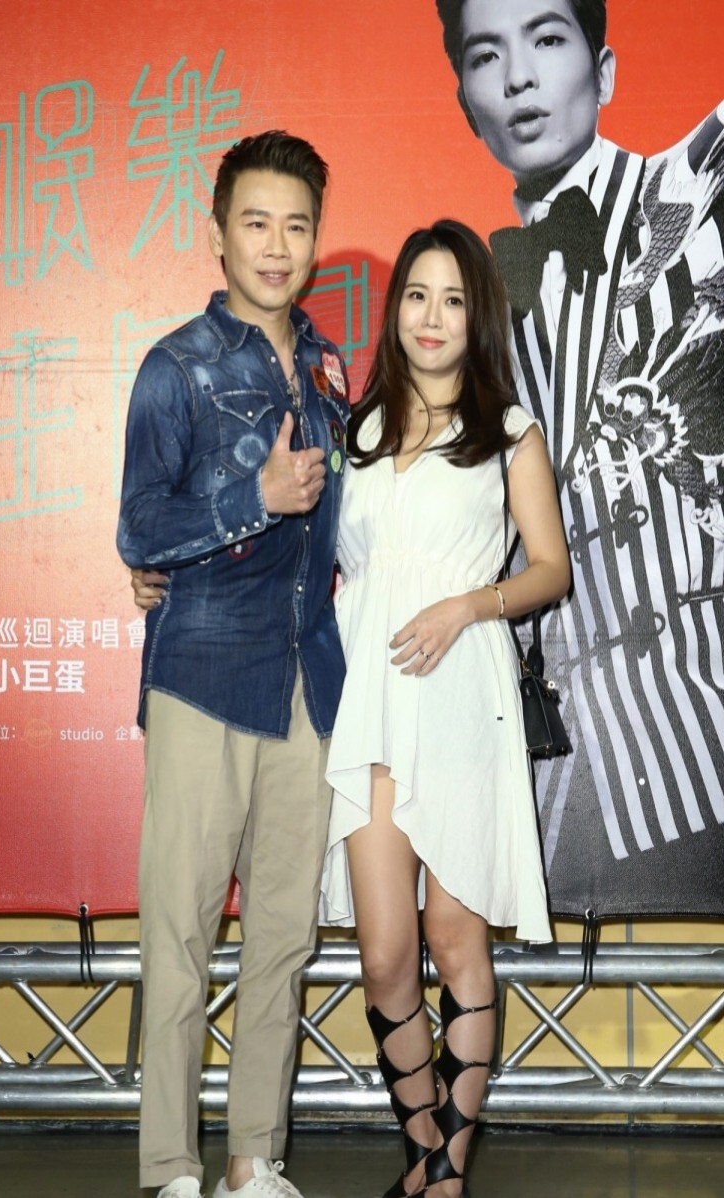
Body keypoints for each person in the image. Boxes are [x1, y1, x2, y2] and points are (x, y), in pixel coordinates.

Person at [434, 0, 724, 917]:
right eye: (487, 55)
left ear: (603, 73)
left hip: (694, 728)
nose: (518, 76)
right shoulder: (465, 305)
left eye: (547, 39)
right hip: (544, 762)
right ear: (465, 103)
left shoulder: (697, 190)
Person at [117, 130, 350, 1198]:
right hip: (204, 674)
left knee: (282, 939)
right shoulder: (174, 367)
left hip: (305, 679)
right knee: (179, 933)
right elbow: (138, 527)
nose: (276, 245)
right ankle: (172, 1166)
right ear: (217, 234)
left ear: (315, 238)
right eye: (255, 222)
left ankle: (256, 1159)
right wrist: (249, 499)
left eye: (296, 225)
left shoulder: (328, 370)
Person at [324, 220, 568, 1197]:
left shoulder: (508, 431)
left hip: (463, 703)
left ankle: (445, 1174)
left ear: (478, 317)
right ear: (395, 312)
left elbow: (549, 569)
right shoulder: (356, 432)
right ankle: (424, 1148)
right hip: (370, 708)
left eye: (453, 299)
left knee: (455, 942)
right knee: (385, 956)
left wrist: (467, 605)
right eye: (417, 296)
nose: (432, 317)